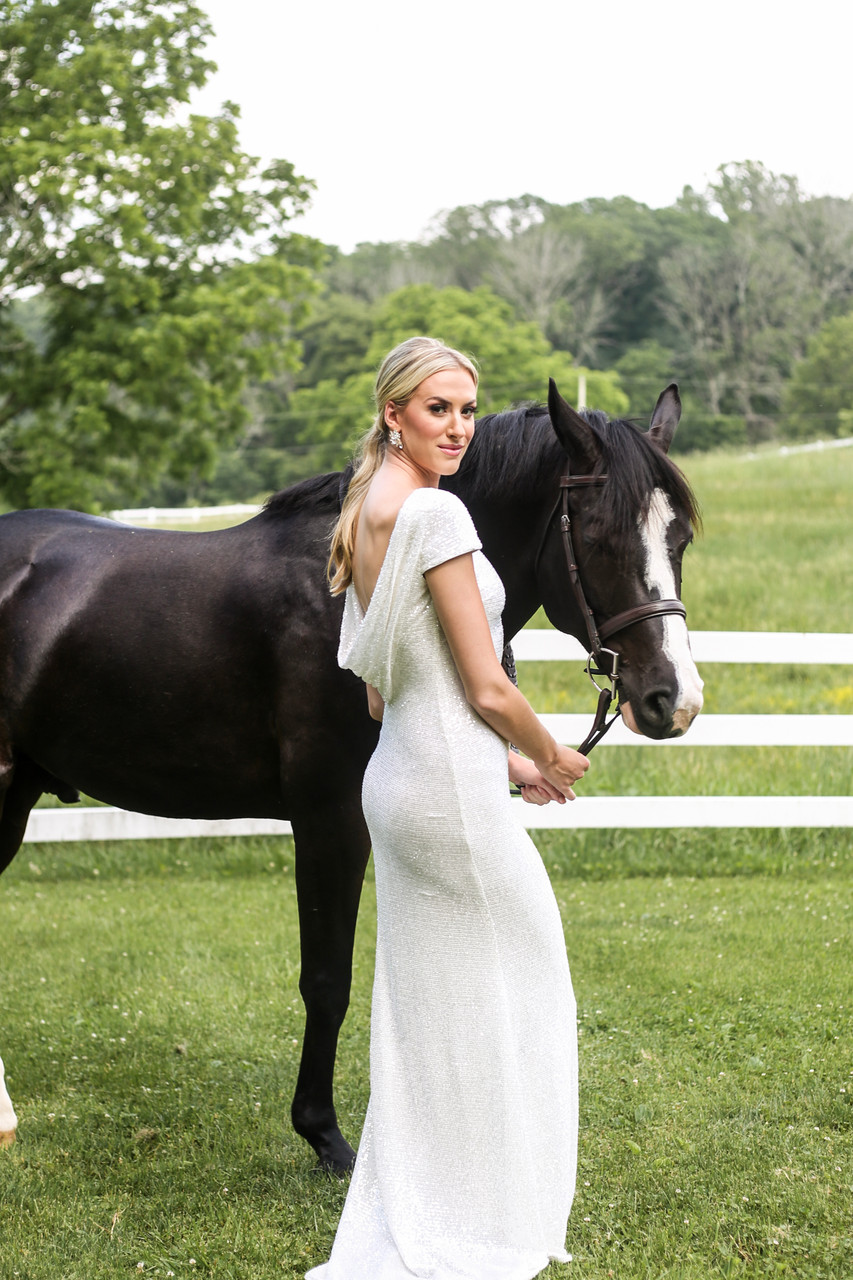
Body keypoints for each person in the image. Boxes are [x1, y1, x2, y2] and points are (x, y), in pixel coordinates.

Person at [309, 336, 589, 1280]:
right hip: (445, 794)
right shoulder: (432, 513)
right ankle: (481, 1210)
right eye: (438, 409)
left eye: (468, 409)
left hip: (402, 781)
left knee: (435, 1008)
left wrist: (506, 768)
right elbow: (483, 683)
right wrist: (549, 751)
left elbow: (391, 694)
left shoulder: (366, 513)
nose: (459, 427)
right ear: (394, 413)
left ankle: (440, 1198)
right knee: (529, 976)